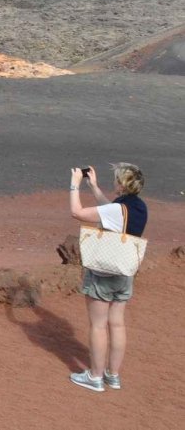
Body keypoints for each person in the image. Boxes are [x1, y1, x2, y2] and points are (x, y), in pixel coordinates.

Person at [67, 162, 148, 392]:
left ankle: (94, 377)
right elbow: (112, 212)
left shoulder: (117, 209)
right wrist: (93, 187)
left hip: (104, 273)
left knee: (99, 325)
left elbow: (77, 212)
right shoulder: (138, 207)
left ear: (121, 185)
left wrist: (75, 186)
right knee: (117, 324)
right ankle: (113, 376)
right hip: (125, 272)